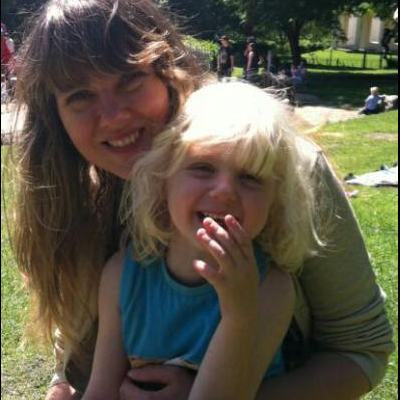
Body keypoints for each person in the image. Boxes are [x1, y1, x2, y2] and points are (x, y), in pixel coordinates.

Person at [7, 0, 393, 398]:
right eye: (80, 96)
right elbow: (78, 334)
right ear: (56, 116)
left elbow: (361, 352)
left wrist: (217, 391)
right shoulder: (73, 190)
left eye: (130, 79)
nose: (113, 116)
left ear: (170, 71)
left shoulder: (279, 167)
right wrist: (60, 383)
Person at [83, 81, 298, 399]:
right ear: (163, 181)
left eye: (250, 177)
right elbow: (101, 391)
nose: (225, 191)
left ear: (273, 202)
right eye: (203, 168)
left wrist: (238, 315)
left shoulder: (269, 289)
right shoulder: (122, 275)